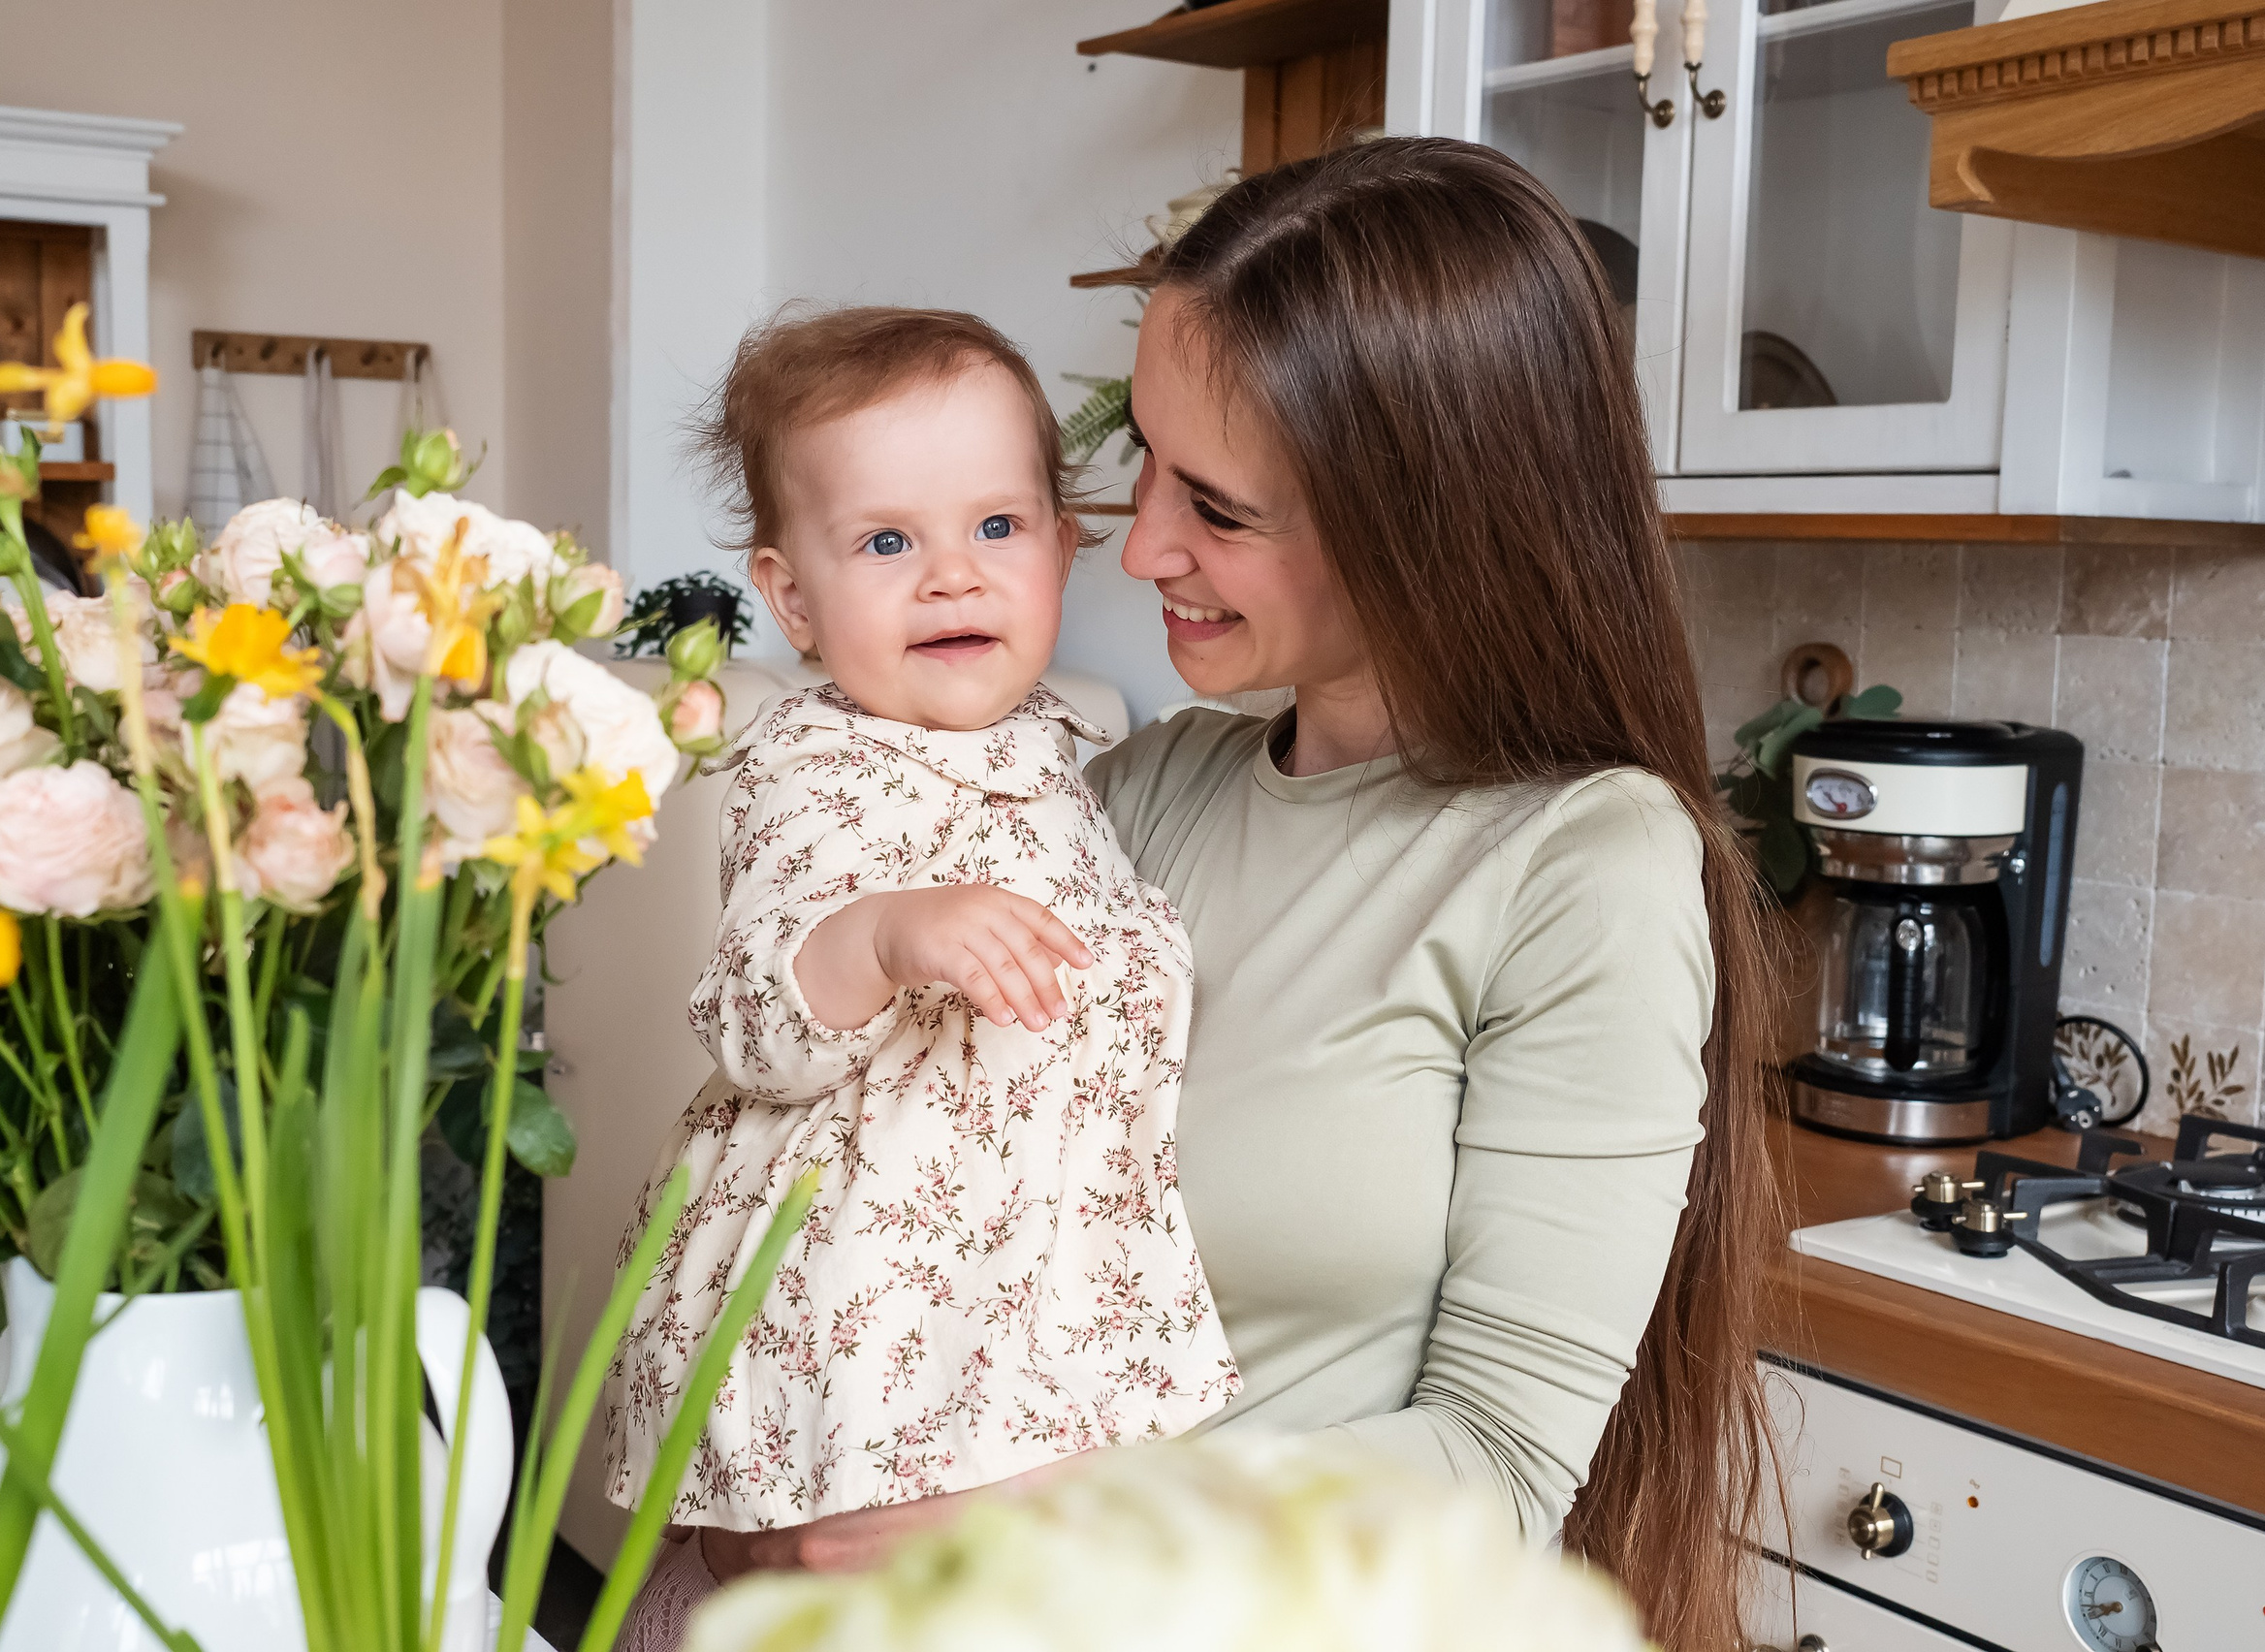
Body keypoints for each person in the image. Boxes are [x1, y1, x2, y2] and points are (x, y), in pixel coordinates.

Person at [694, 139, 1783, 1652]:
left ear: (1425, 520)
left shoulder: (1584, 866)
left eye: (1219, 505)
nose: (1135, 546)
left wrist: (1039, 1523)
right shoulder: (1127, 795)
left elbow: (1502, 1465)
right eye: (1139, 458)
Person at [603, 307, 1238, 1636]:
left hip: (1032, 1254)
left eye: (996, 528)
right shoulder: (809, 766)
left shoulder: (1069, 743)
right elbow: (754, 1016)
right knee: (873, 1574)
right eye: (889, 542)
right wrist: (884, 935)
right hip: (863, 1264)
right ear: (790, 595)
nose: (952, 576)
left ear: (1068, 546)